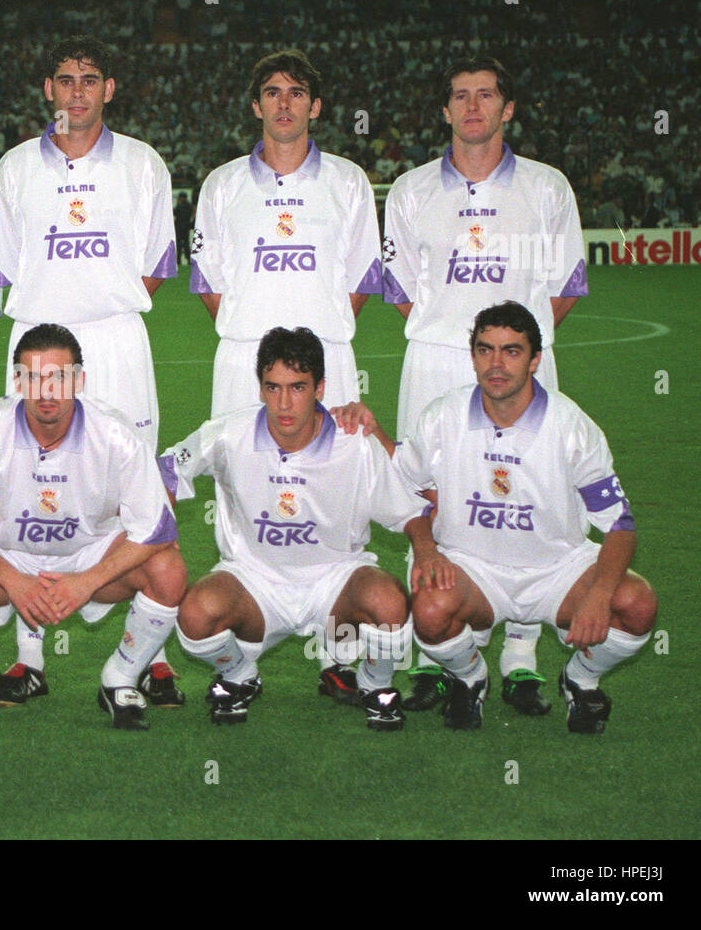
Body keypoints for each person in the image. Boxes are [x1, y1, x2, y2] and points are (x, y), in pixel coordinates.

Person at [381, 56, 589, 712]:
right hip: (437, 359)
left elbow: (566, 285)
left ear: (508, 108)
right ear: (445, 111)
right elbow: (401, 291)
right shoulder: (411, 190)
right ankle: (434, 649)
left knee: (531, 491)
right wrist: (459, 344)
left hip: (524, 367)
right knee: (429, 498)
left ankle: (522, 653)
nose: (474, 106)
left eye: (487, 95)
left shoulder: (548, 187)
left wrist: (514, 355)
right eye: (461, 96)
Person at [0, 36, 182, 705]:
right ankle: (29, 657)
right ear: (48, 89)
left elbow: (156, 265)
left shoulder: (142, 163)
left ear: (109, 89)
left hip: (117, 340)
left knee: (137, 488)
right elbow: (10, 266)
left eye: (90, 79)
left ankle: (148, 654)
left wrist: (100, 303)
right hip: (39, 343)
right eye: (65, 79)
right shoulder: (15, 168)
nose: (77, 91)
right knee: (29, 484)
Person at [367, 302, 654, 733]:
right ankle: (469, 679)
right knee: (428, 609)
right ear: (473, 355)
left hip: (557, 568)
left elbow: (619, 524)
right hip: (474, 567)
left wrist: (600, 593)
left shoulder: (570, 424)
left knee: (636, 603)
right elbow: (408, 487)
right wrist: (426, 550)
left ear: (535, 359)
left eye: (512, 351)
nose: (496, 364)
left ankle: (581, 679)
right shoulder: (443, 415)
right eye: (485, 350)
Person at [0, 324, 186, 730]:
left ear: (80, 380)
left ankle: (120, 678)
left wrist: (87, 580)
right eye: (34, 377)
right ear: (17, 380)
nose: (47, 391)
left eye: (59, 376)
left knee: (169, 570)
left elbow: (156, 529)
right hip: (8, 560)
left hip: (89, 557)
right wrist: (14, 580)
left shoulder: (117, 434)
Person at [162, 327, 423, 727]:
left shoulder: (352, 441)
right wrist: (160, 535)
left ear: (320, 387)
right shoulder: (229, 434)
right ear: (261, 387)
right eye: (273, 387)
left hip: (335, 588)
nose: (284, 403)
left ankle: (376, 684)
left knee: (388, 602)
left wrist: (428, 551)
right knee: (196, 615)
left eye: (298, 387)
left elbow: (408, 511)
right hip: (255, 586)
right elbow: (165, 471)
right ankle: (238, 675)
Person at [190, 49, 381, 417]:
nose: (284, 103)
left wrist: (323, 323)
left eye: (297, 93)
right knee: (241, 470)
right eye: (272, 92)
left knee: (330, 467)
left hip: (326, 352)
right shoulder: (222, 183)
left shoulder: (349, 180)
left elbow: (361, 277)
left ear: (315, 107)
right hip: (244, 355)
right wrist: (248, 325)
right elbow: (209, 282)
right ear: (256, 106)